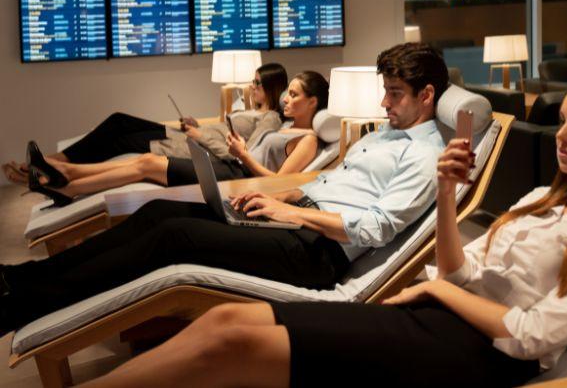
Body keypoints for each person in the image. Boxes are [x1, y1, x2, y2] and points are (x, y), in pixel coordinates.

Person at [76, 74, 567, 388]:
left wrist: (437, 290)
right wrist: (446, 194)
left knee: (233, 345)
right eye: (561, 122)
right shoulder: (539, 200)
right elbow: (459, 270)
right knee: (225, 318)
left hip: (476, 356)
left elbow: (535, 336)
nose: (562, 137)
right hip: (434, 315)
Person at [0, 42, 450, 334]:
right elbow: (329, 185)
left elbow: (377, 227)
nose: (384, 103)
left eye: (394, 93)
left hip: (316, 252)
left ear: (426, 94)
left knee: (176, 237)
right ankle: (24, 277)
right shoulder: (382, 136)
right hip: (293, 222)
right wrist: (277, 198)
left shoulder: (426, 154)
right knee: (159, 212)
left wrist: (293, 214)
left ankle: (24, 305)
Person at [22, 70, 330, 207]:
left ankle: (68, 181)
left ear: (313, 102)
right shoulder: (282, 126)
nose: (286, 99)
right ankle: (67, 179)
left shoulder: (309, 139)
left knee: (147, 164)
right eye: (287, 92)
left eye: (294, 94)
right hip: (233, 164)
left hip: (237, 174)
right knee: (145, 161)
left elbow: (280, 182)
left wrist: (244, 155)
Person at [2, 63, 288, 186]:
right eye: (253, 81)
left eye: (257, 83)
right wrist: (195, 123)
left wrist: (200, 134)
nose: (252, 87)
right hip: (186, 135)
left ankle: (47, 167)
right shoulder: (246, 107)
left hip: (190, 148)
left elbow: (241, 153)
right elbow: (221, 128)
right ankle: (50, 161)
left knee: (120, 141)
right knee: (118, 121)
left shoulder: (270, 118)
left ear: (273, 88)